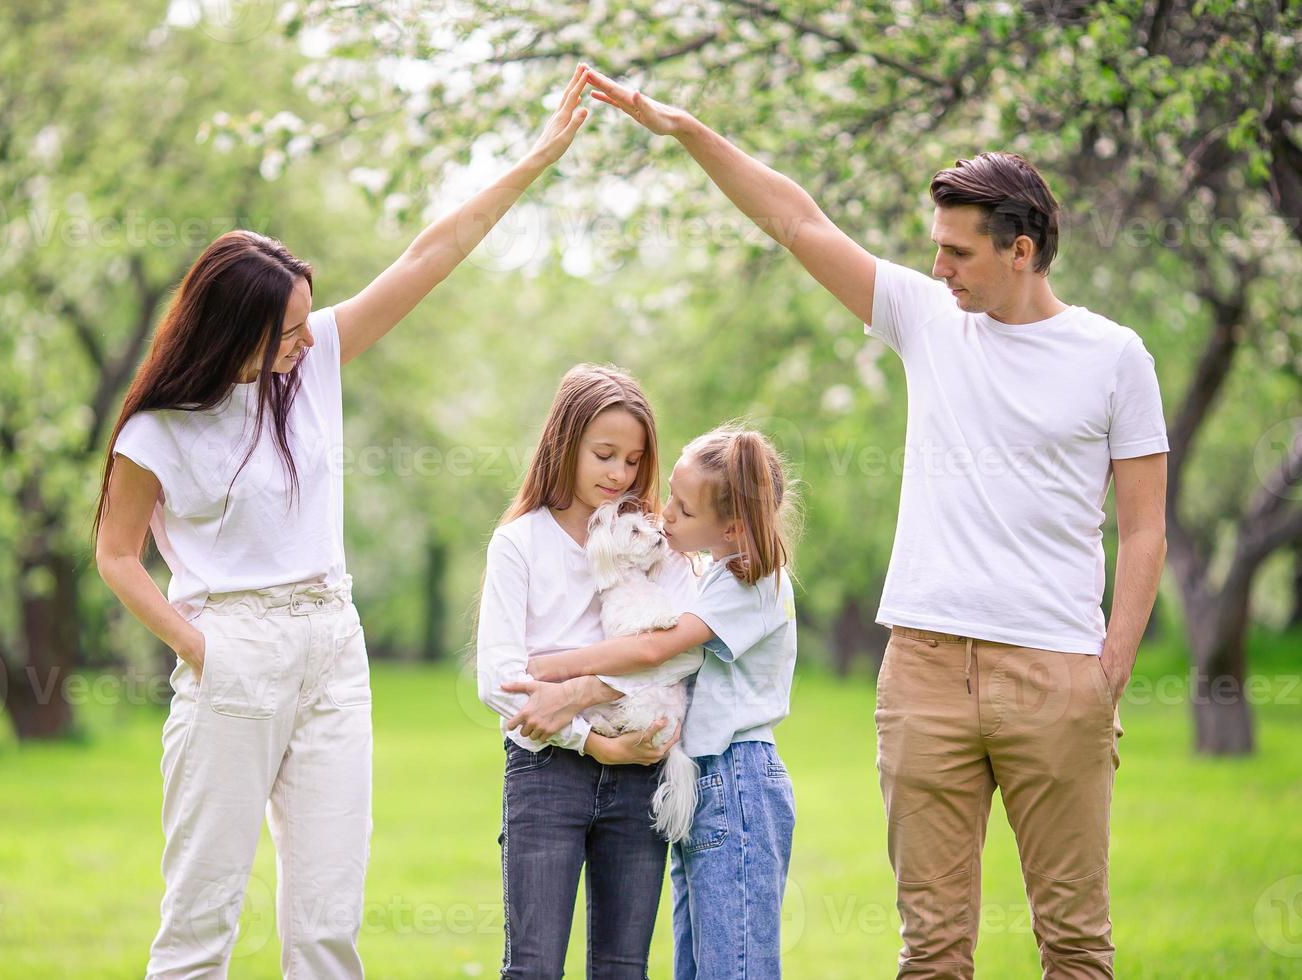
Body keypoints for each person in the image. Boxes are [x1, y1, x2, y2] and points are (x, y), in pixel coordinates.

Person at [583, 66, 1169, 979]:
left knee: (1076, 948)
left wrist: (1108, 675)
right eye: (935, 248)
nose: (938, 268)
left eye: (959, 252)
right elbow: (798, 221)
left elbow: (1144, 531)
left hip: (1054, 673)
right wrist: (686, 129)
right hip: (925, 675)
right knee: (930, 953)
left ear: (1022, 250)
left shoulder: (1114, 359)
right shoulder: (930, 322)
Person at [92, 65, 597, 980]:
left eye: (301, 325)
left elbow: (428, 257)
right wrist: (202, 648)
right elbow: (117, 555)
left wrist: (535, 160)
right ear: (227, 325)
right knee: (198, 928)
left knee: (327, 928)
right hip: (232, 647)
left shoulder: (311, 363)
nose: (301, 341)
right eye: (282, 330)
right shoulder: (156, 430)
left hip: (333, 641)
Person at [522, 423, 800, 979]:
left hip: (737, 780)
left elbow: (659, 650)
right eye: (670, 496)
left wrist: (556, 666)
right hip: (706, 779)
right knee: (695, 966)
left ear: (733, 527)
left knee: (734, 966)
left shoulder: (754, 583)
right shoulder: (718, 573)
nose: (665, 515)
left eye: (684, 510)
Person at [475, 362, 697, 978]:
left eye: (632, 461)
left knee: (624, 967)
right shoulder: (520, 543)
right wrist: (592, 741)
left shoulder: (652, 541)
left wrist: (575, 690)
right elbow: (499, 678)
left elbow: (685, 646)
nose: (619, 474)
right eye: (604, 454)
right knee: (534, 965)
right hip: (546, 769)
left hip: (639, 769)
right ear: (565, 441)